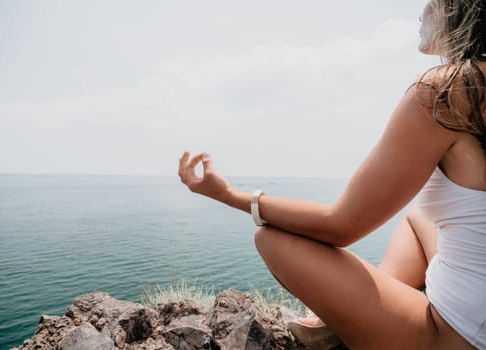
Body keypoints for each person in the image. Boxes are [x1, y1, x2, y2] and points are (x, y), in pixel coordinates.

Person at [178, 0, 486, 348]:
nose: (421, 11)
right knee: (416, 219)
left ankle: (353, 324)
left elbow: (340, 225)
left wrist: (227, 194)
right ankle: (361, 314)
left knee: (274, 240)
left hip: (459, 336)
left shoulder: (448, 92)